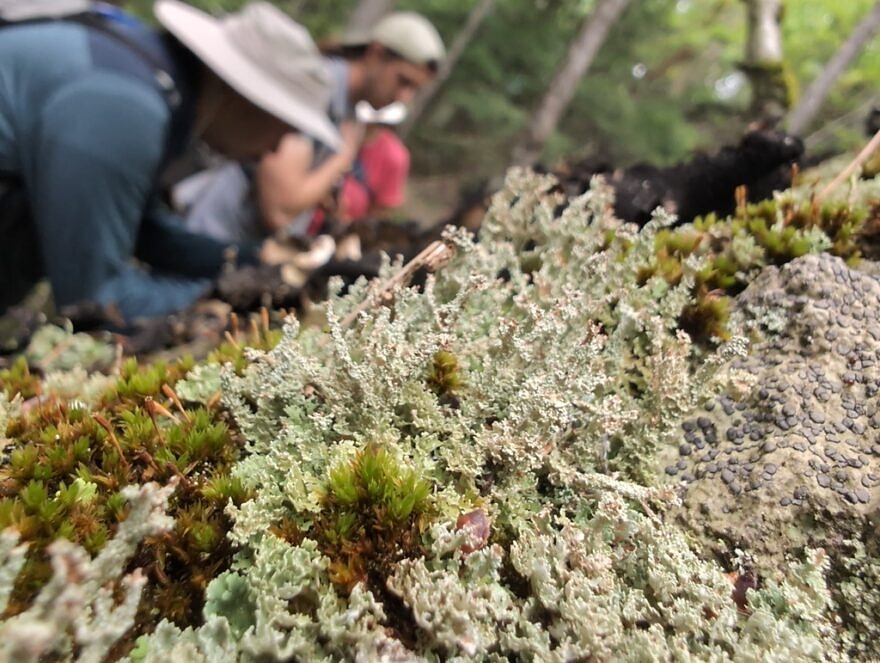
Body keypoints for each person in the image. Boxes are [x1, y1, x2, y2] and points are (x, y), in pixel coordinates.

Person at [0, 0, 339, 325]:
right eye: (284, 130)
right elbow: (94, 299)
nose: (274, 150)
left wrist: (259, 261)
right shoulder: (124, 109)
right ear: (246, 102)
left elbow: (146, 233)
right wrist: (238, 297)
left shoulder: (148, 79)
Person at [180, 11, 443, 243]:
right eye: (403, 81)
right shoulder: (319, 91)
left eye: (414, 90)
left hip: (234, 250)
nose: (404, 97)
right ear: (376, 53)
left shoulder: (348, 109)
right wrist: (342, 158)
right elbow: (278, 209)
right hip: (209, 237)